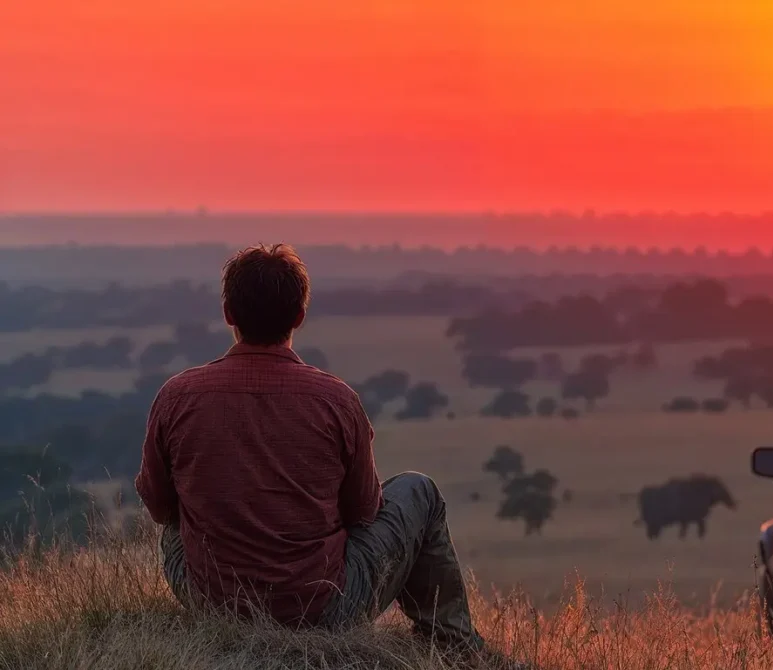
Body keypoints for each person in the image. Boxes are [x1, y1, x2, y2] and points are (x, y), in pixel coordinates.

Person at [134, 243, 510, 667]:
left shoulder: (177, 397)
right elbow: (364, 512)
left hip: (213, 605)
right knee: (418, 490)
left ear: (228, 314)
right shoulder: (336, 400)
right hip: (325, 611)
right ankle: (456, 647)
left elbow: (159, 506)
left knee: (178, 520)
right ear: (299, 316)